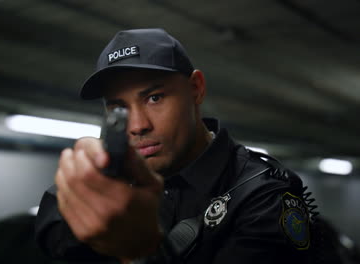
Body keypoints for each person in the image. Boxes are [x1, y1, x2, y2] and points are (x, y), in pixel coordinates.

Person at [35, 28, 318, 264]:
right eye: (119, 108)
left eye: (154, 98)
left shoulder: (263, 194)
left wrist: (140, 251)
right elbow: (52, 235)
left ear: (196, 88)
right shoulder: (117, 175)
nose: (137, 125)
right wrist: (84, 189)